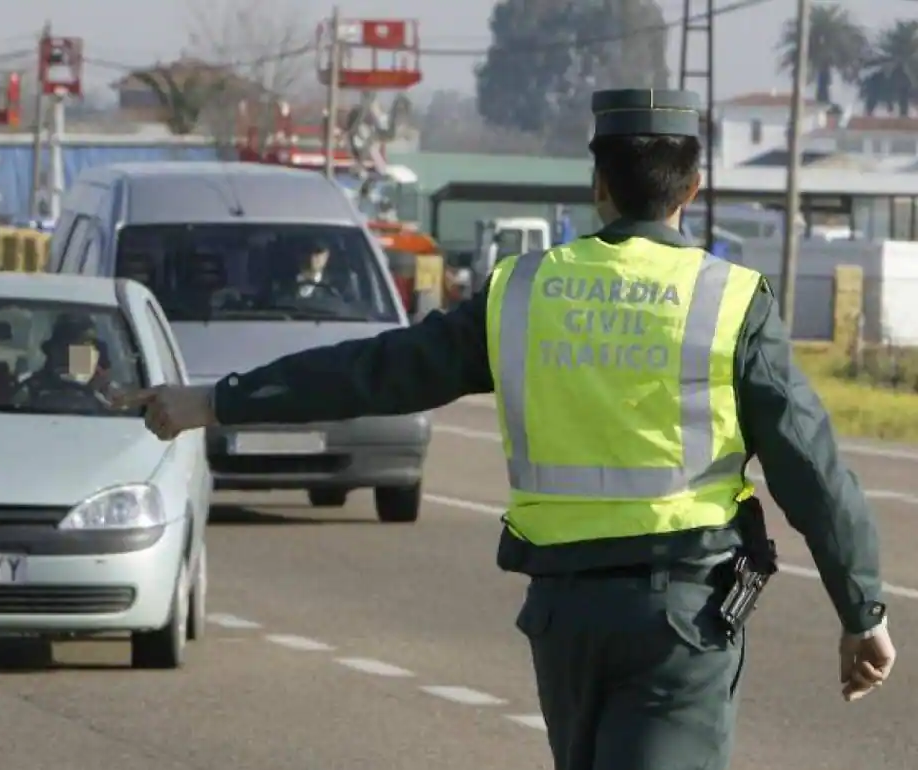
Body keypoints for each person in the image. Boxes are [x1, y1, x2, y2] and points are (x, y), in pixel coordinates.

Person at [122, 88, 895, 770]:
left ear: (598, 187)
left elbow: (373, 370)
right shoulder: (731, 300)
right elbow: (811, 469)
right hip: (680, 624)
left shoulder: (522, 293)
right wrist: (862, 612)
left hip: (563, 619)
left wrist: (211, 402)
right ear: (692, 188)